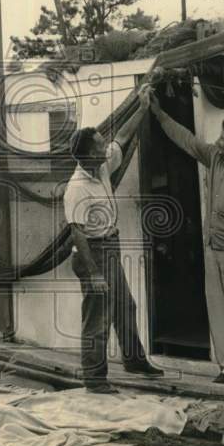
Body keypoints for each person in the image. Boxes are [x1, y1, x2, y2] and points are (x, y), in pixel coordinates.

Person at [140, 85, 224, 386]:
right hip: (213, 250)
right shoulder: (214, 158)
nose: (218, 139)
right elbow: (186, 140)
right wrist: (158, 113)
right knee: (219, 310)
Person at [64, 99, 163, 394]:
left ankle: (134, 361)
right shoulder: (77, 188)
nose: (106, 147)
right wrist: (94, 274)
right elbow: (77, 234)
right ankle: (94, 379)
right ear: (87, 157)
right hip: (91, 253)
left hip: (109, 247)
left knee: (124, 306)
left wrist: (143, 107)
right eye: (99, 146)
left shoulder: (101, 165)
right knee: (98, 316)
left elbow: (122, 136)